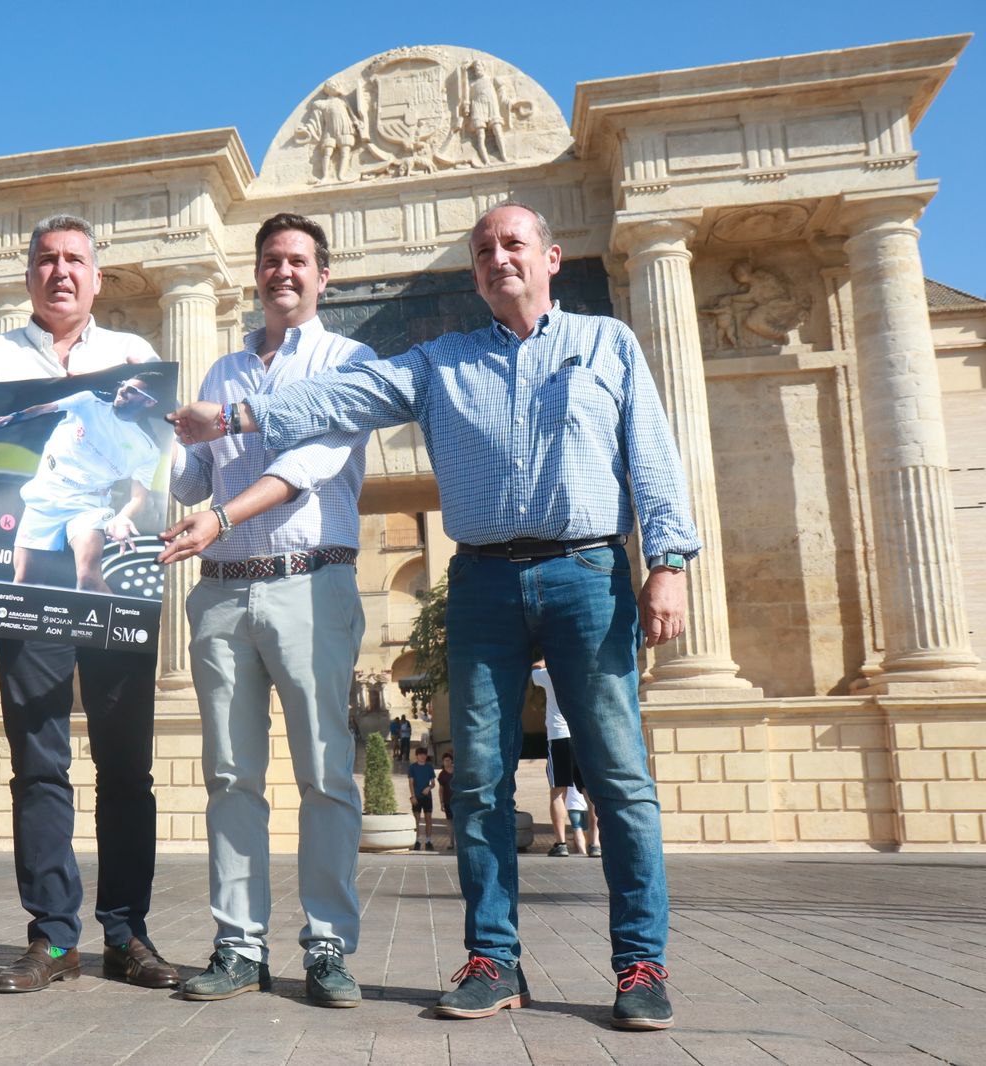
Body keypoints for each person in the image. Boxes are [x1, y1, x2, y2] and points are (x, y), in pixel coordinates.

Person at [168, 200, 699, 1031]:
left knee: (620, 777)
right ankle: (494, 959)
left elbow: (654, 459)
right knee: (480, 782)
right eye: (484, 250)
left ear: (552, 257)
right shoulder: (439, 361)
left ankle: (640, 965)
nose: (499, 258)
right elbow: (343, 398)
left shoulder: (609, 344)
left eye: (513, 244)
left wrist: (665, 565)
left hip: (586, 572)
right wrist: (236, 415)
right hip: (482, 582)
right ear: (474, 271)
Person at [0, 214, 178, 993]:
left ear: (97, 277)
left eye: (75, 260)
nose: (60, 272)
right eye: (46, 259)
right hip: (27, 571)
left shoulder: (135, 356)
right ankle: (52, 937)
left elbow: (151, 458)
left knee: (126, 765)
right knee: (37, 760)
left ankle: (127, 933)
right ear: (28, 277)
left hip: (115, 564)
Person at [156, 213, 373, 1007]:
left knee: (324, 773)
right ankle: (238, 946)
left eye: (298, 261)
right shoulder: (220, 373)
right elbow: (187, 484)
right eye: (272, 261)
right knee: (229, 778)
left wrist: (218, 514)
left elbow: (309, 462)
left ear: (324, 277)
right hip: (219, 594)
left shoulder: (352, 361)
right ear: (255, 276)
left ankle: (326, 947)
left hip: (308, 581)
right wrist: (147, 427)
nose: (284, 272)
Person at [0, 370, 167, 593]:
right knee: (25, 583)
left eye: (133, 390)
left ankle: (114, 624)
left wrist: (124, 517)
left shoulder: (147, 449)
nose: (123, 390)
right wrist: (11, 418)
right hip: (45, 497)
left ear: (149, 402)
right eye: (124, 384)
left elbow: (138, 497)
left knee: (87, 578)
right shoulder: (88, 401)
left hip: (87, 506)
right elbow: (42, 408)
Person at [533, 661, 583, 858]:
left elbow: (534, 671)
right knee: (589, 792)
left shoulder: (550, 673)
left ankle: (561, 843)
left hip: (558, 735)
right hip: (581, 734)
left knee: (557, 792)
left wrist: (545, 658)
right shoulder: (581, 670)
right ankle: (595, 843)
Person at [408, 747, 437, 852]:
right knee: (416, 819)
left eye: (424, 754)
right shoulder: (412, 767)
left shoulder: (429, 768)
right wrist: (412, 796)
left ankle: (428, 841)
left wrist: (429, 787)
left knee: (428, 819)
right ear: (417, 756)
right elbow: (411, 783)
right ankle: (417, 841)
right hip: (417, 797)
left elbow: (433, 783)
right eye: (420, 754)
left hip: (427, 797)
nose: (423, 756)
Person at [437, 752, 456, 852]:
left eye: (448, 760)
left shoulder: (457, 771)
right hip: (447, 800)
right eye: (445, 760)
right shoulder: (442, 774)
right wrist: (441, 802)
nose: (447, 762)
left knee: (458, 821)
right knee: (449, 822)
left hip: (458, 800)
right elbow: (441, 789)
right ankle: (451, 842)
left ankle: (459, 842)